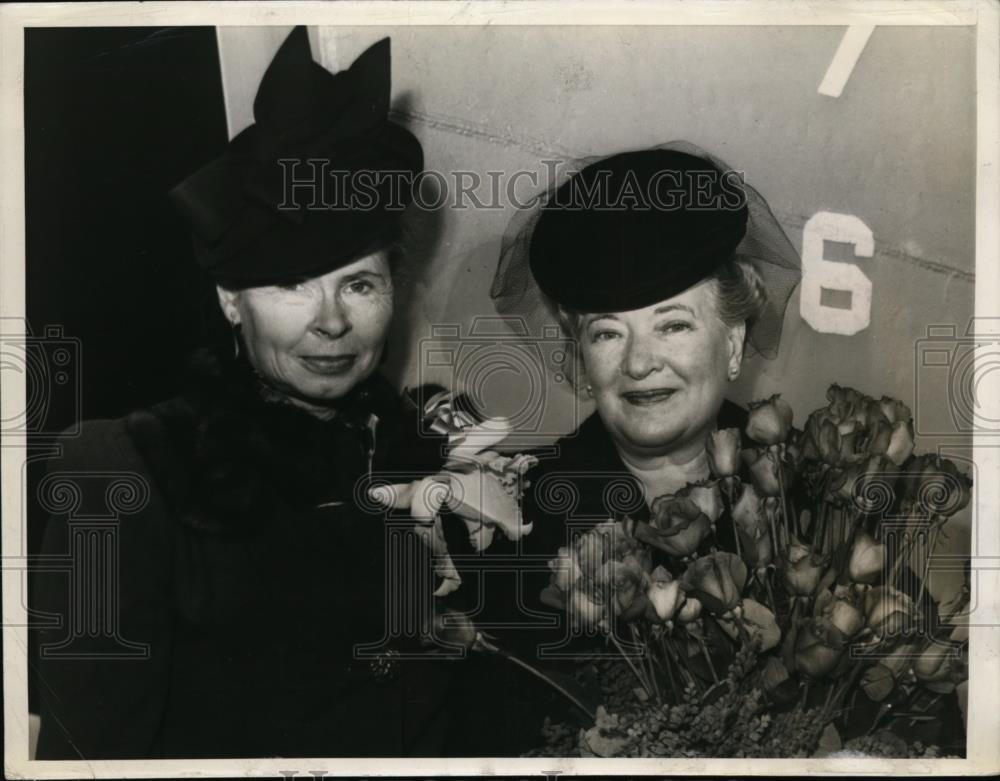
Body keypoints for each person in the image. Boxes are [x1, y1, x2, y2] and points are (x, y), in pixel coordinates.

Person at [32, 27, 452, 759]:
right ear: (231, 300)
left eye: (359, 282)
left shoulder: (430, 449)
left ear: (395, 292)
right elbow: (87, 759)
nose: (331, 321)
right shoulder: (126, 472)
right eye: (290, 284)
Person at [444, 143, 802, 754]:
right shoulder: (511, 522)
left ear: (735, 341)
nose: (639, 363)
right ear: (580, 354)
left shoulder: (813, 489)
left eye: (674, 324)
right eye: (608, 332)